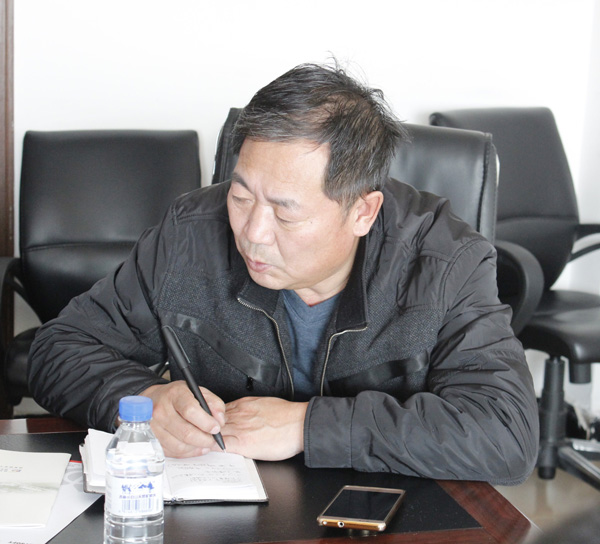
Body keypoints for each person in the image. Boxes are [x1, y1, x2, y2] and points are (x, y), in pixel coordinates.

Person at [28, 62, 539, 484]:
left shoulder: (445, 262)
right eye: (241, 196)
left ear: (363, 212)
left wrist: (305, 426)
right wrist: (144, 400)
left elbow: (505, 434)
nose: (253, 232)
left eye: (285, 213)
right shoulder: (191, 234)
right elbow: (58, 348)